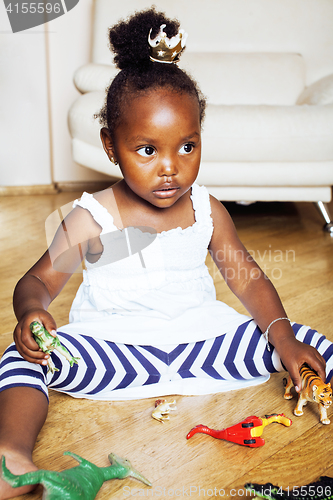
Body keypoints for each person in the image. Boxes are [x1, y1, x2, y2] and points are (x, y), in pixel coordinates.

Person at [0, 7, 332, 499]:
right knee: (20, 359)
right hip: (112, 350)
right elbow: (39, 282)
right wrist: (32, 313)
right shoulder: (93, 215)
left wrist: (282, 338)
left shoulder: (206, 208)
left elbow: (247, 278)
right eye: (148, 150)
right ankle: (12, 458)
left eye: (187, 147)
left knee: (308, 339)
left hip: (204, 346)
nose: (171, 169)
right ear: (111, 147)